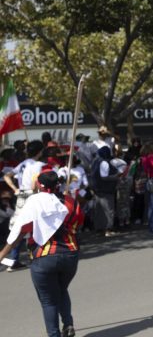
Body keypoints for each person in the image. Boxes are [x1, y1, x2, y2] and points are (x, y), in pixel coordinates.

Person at [0, 170, 84, 337]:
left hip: (44, 256)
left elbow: (20, 230)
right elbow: (78, 223)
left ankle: (54, 334)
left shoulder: (35, 201)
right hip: (70, 254)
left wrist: (3, 254)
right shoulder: (69, 202)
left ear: (39, 184)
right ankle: (68, 324)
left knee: (48, 300)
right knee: (61, 290)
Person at [3, 140, 46, 271]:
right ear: (40, 152)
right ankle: (35, 255)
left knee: (19, 228)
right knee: (37, 226)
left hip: (22, 195)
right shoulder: (40, 165)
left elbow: (7, 176)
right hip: (34, 195)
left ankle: (14, 259)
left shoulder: (23, 164)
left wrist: (15, 189)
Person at [90, 146, 119, 237]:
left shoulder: (95, 162)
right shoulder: (104, 163)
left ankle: (99, 229)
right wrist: (116, 176)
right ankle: (108, 229)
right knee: (108, 210)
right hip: (105, 190)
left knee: (99, 210)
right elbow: (104, 177)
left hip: (97, 190)